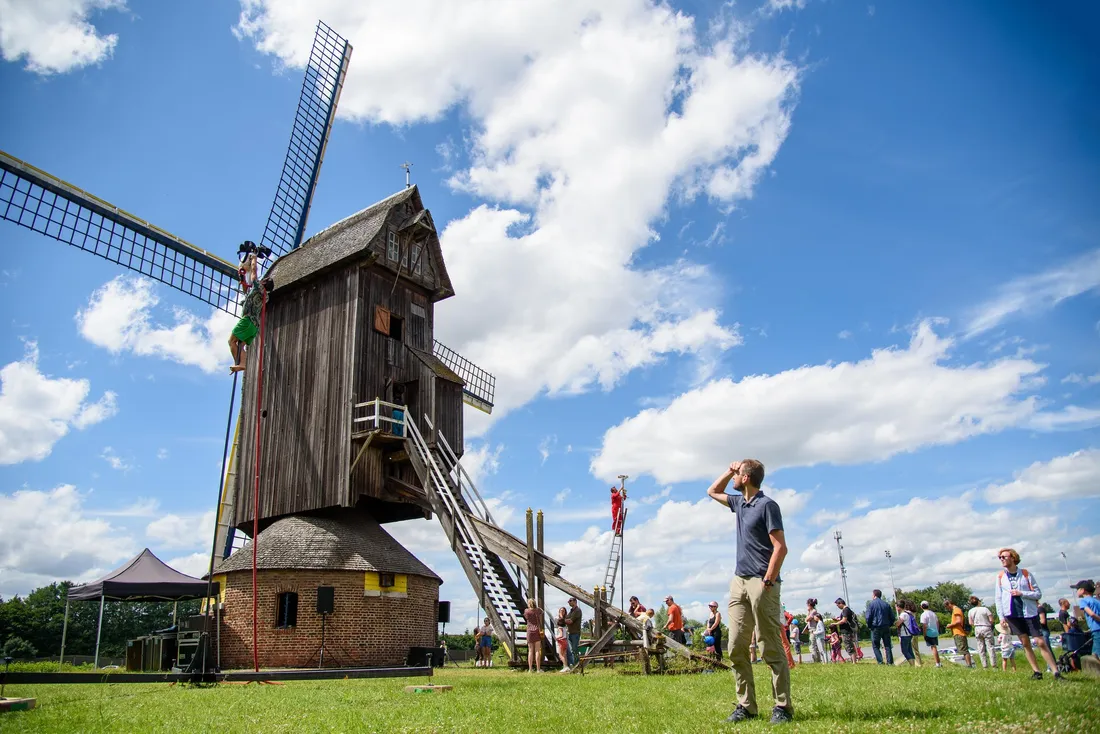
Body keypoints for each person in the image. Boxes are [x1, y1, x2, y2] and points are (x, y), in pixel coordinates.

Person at [706, 459, 792, 725]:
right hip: (739, 581)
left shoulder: (767, 505)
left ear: (746, 478)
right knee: (735, 646)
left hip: (762, 581)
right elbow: (712, 491)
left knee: (769, 646)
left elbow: (780, 547)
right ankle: (746, 706)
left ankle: (782, 707)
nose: (733, 477)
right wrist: (729, 470)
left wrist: (768, 580)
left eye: (737, 474)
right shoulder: (739, 503)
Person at [992, 547, 1064, 680]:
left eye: (1004, 557)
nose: (1001, 559)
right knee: (1025, 643)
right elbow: (998, 598)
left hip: (1029, 613)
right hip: (1012, 614)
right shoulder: (1001, 577)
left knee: (1040, 642)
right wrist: (1001, 617)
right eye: (1000, 557)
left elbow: (1038, 594)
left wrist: (1022, 593)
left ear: (1013, 558)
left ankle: (1055, 671)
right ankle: (1037, 672)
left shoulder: (1025, 574)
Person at [228, 252, 267, 373]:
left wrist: (254, 258)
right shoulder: (265, 297)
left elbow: (254, 271)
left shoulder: (257, 287)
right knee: (240, 345)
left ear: (263, 283)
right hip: (254, 327)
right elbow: (247, 292)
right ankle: (241, 364)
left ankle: (241, 363)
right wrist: (243, 280)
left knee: (231, 341)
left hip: (247, 320)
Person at [865, 589, 895, 665]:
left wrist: (869, 626)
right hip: (886, 626)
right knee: (887, 645)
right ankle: (890, 662)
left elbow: (868, 617)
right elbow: (892, 617)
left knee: (875, 645)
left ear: (874, 595)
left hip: (875, 627)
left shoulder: (871, 604)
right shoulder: (886, 604)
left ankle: (880, 661)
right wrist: (889, 624)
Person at [1074, 580, 1100, 660]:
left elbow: (1091, 614)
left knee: (1096, 654)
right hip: (1096, 629)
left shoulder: (1083, 601)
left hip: (1096, 629)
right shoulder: (1097, 601)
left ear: (1082, 590)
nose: (1076, 591)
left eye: (1077, 589)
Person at [944, 598, 973, 668]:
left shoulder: (956, 610)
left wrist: (950, 625)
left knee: (964, 651)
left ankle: (969, 665)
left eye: (946, 606)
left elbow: (958, 621)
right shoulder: (955, 610)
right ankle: (969, 665)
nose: (947, 608)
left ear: (949, 604)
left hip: (959, 632)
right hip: (958, 633)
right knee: (963, 650)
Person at [968, 596, 996, 669]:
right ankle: (993, 665)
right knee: (990, 647)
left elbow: (970, 622)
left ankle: (984, 666)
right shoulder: (985, 609)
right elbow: (991, 620)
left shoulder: (970, 611)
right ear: (978, 602)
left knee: (980, 647)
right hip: (986, 627)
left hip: (977, 628)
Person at [834, 598, 858, 664]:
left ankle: (854, 662)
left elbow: (844, 620)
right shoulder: (846, 610)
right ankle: (853, 661)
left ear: (841, 603)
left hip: (847, 631)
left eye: (837, 605)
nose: (838, 607)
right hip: (846, 631)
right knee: (848, 645)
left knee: (849, 646)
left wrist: (836, 623)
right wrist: (838, 619)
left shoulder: (845, 610)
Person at [919, 600, 942, 667]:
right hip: (935, 631)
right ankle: (939, 662)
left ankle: (937, 663)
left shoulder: (923, 614)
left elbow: (924, 625)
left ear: (921, 607)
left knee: (933, 647)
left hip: (929, 632)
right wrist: (937, 630)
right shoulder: (933, 613)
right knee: (934, 647)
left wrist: (924, 634)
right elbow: (937, 623)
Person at [523, 598, 543, 672]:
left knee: (530, 651)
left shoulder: (526, 611)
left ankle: (530, 669)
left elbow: (526, 617)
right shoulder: (538, 610)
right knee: (537, 650)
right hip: (537, 630)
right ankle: (538, 669)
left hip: (529, 630)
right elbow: (542, 612)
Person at [895, 601, 916, 666]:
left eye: (896, 607)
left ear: (898, 607)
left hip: (905, 634)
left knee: (904, 651)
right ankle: (913, 664)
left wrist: (895, 623)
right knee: (909, 650)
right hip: (909, 634)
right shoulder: (908, 613)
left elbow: (898, 624)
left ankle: (912, 664)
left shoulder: (903, 614)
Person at [806, 598, 827, 664]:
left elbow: (807, 619)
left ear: (809, 604)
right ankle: (818, 660)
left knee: (812, 646)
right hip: (811, 629)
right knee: (815, 646)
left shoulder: (813, 611)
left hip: (813, 630)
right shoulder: (812, 611)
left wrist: (808, 612)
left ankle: (816, 660)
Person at [565, 597, 583, 668]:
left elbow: (570, 621)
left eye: (570, 601)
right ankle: (573, 664)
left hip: (575, 633)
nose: (569, 602)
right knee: (570, 650)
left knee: (574, 649)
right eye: (568, 601)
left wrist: (562, 620)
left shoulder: (577, 610)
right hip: (570, 633)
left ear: (575, 601)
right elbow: (567, 618)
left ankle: (577, 665)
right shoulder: (571, 611)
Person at [554, 607, 570, 673]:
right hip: (565, 641)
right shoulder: (564, 628)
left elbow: (560, 635)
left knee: (560, 655)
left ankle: (565, 666)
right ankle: (565, 666)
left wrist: (556, 637)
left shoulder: (560, 628)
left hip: (561, 641)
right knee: (564, 654)